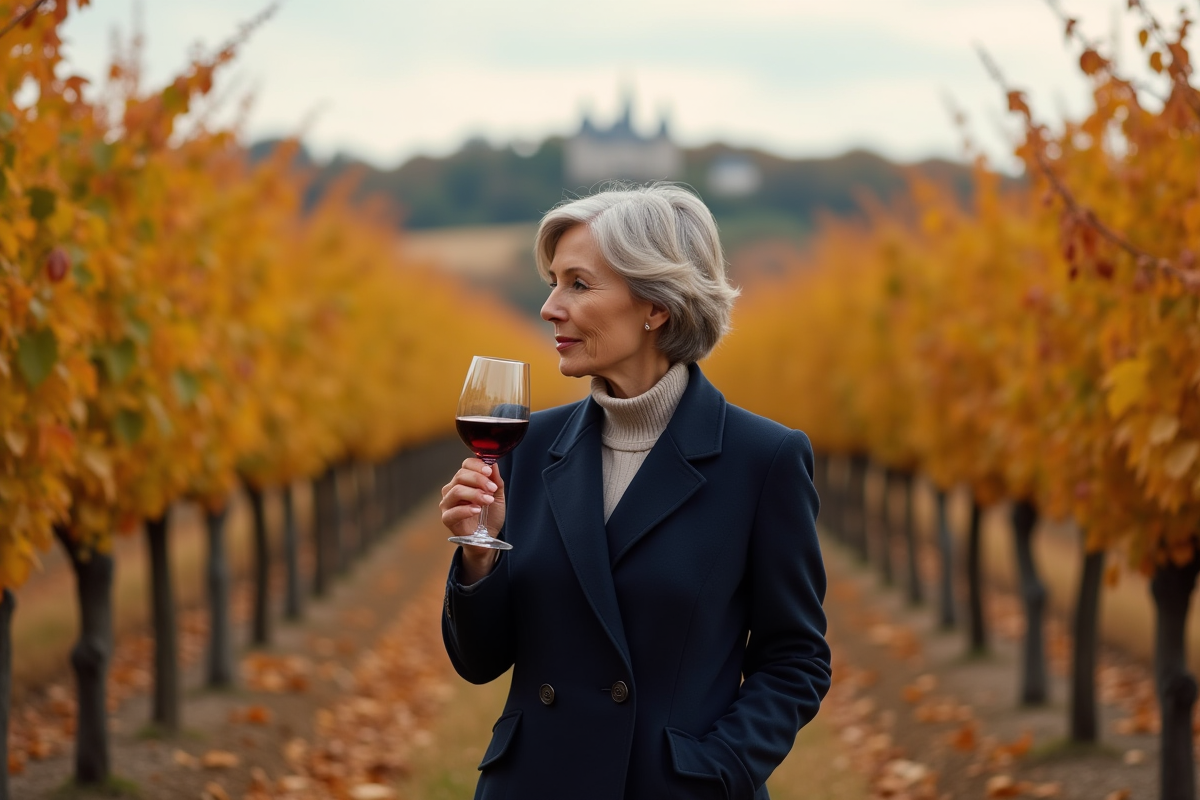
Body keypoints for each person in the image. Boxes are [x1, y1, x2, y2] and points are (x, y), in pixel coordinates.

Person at [440, 183, 830, 800]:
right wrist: (478, 556)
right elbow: (480, 661)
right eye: (552, 282)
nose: (549, 307)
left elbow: (795, 659)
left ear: (655, 304)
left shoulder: (764, 459)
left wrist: (715, 770)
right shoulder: (529, 447)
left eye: (577, 283)